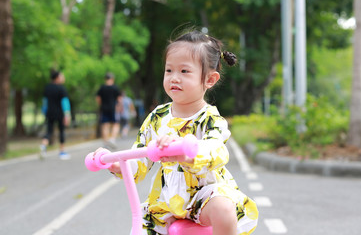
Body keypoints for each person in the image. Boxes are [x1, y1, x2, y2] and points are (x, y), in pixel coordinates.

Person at [94, 30, 258, 234]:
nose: (174, 78)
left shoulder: (210, 119)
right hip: (167, 201)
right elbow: (141, 155)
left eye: (184, 71)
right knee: (140, 227)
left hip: (203, 196)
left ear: (209, 80)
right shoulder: (157, 117)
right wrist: (119, 164)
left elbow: (216, 150)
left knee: (224, 209)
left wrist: (188, 153)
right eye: (169, 70)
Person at [40, 70, 71, 160]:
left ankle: (43, 146)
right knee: (61, 131)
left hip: (50, 113)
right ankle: (62, 152)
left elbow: (44, 102)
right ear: (57, 78)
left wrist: (44, 112)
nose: (63, 78)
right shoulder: (61, 88)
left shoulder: (47, 87)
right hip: (60, 113)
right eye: (61, 76)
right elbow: (65, 102)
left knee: (49, 131)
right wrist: (67, 114)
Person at [96, 72, 121, 148]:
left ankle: (105, 142)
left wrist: (101, 105)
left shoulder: (102, 88)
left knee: (105, 126)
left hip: (104, 109)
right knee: (116, 124)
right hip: (113, 109)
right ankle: (112, 139)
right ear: (112, 79)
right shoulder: (115, 88)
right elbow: (119, 99)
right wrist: (119, 107)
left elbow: (98, 99)